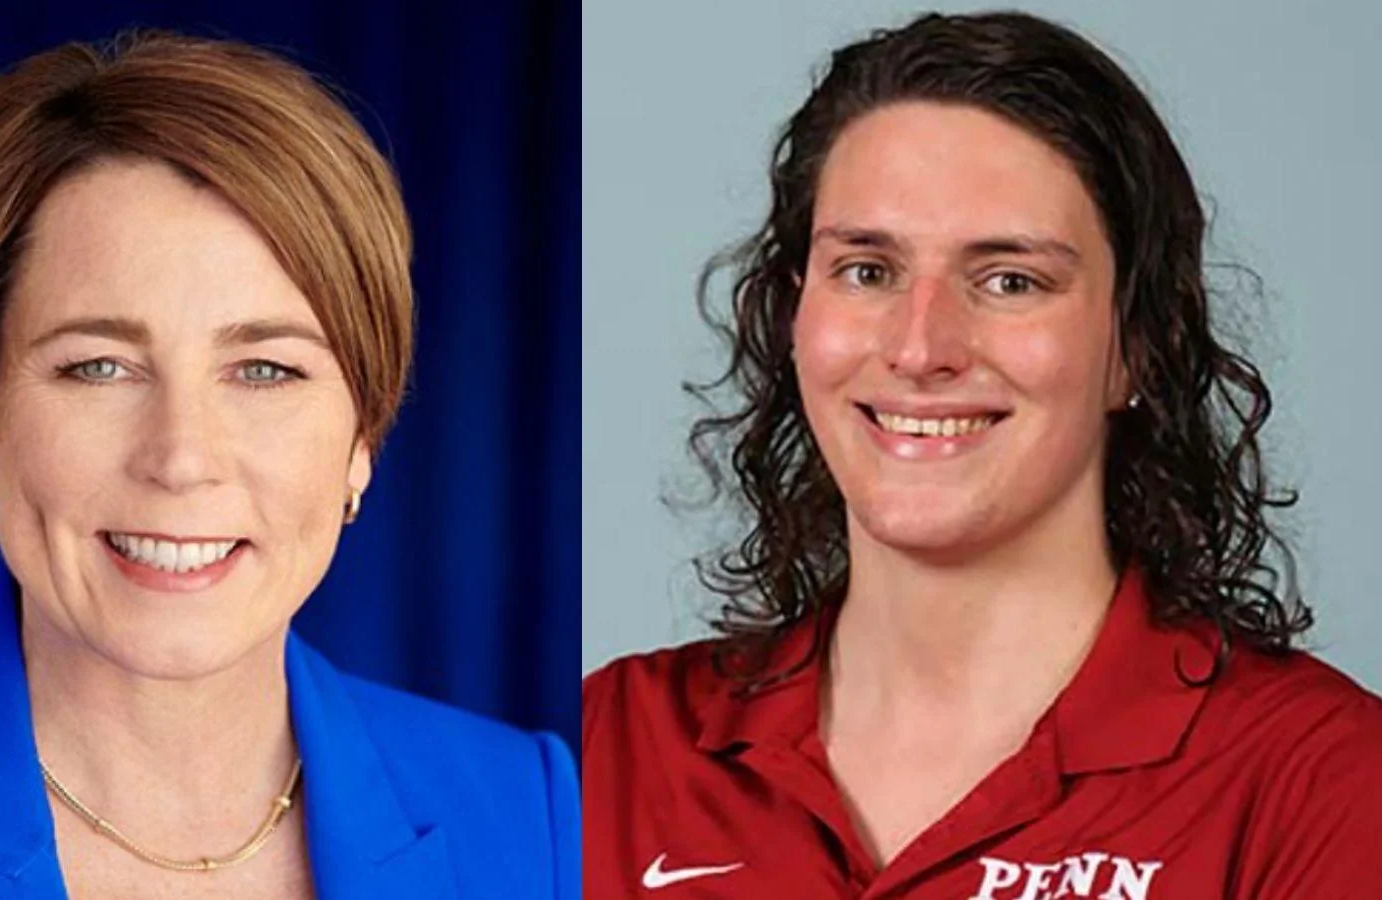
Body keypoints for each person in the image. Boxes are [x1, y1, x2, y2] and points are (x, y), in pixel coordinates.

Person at [583, 11, 1382, 899]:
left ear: (1138, 346)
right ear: (792, 316)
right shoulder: (610, 750)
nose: (922, 348)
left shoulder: (1321, 783)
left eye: (1010, 281)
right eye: (868, 271)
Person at [0, 30, 577, 900]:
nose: (182, 458)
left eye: (265, 370)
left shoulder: (530, 812)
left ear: (363, 441)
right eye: (99, 366)